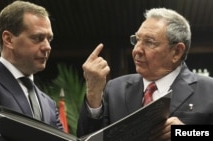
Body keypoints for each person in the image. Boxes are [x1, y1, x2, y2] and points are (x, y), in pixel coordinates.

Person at [77, 8, 213, 140]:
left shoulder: (209, 90)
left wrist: (185, 133)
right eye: (136, 40)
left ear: (176, 52)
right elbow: (87, 137)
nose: (137, 50)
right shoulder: (115, 89)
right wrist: (93, 94)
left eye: (149, 42)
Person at [0, 1, 64, 141]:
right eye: (37, 38)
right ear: (8, 39)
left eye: (49, 39)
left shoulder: (49, 104)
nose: (47, 47)